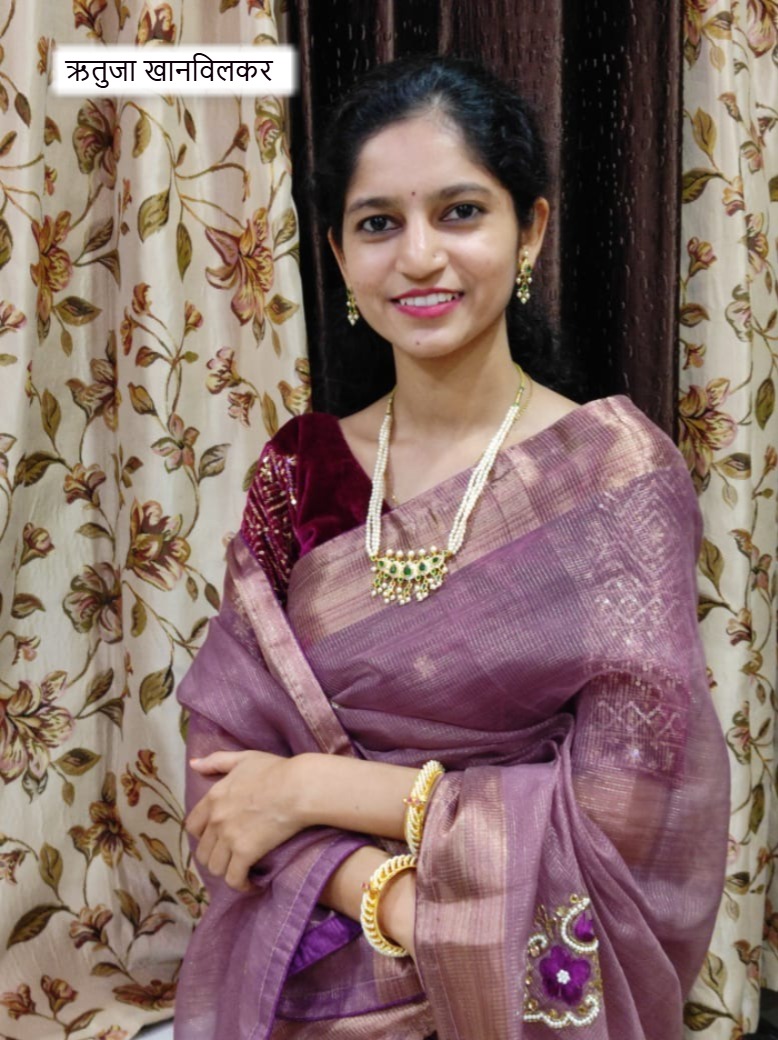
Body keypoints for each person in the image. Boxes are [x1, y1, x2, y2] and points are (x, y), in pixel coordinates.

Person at [175, 56, 729, 1040]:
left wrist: (315, 788)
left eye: (460, 212)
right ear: (338, 254)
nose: (419, 255)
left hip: (530, 976)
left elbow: (627, 806)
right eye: (378, 223)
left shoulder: (612, 476)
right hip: (311, 966)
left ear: (531, 230)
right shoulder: (300, 473)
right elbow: (226, 773)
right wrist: (385, 898)